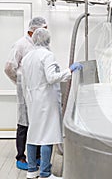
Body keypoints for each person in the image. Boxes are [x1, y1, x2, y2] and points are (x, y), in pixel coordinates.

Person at [21, 28, 83, 179]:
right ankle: (45, 173)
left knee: (33, 135)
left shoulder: (27, 57)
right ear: (47, 40)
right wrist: (69, 70)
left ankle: (31, 170)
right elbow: (51, 77)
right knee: (47, 135)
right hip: (46, 101)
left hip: (33, 100)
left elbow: (24, 82)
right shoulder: (47, 55)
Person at [4, 17, 47, 170]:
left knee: (36, 122)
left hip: (38, 89)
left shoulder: (41, 45)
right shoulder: (21, 44)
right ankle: (21, 156)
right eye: (43, 28)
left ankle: (36, 155)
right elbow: (9, 68)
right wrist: (19, 83)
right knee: (24, 122)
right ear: (32, 30)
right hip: (25, 88)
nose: (45, 31)